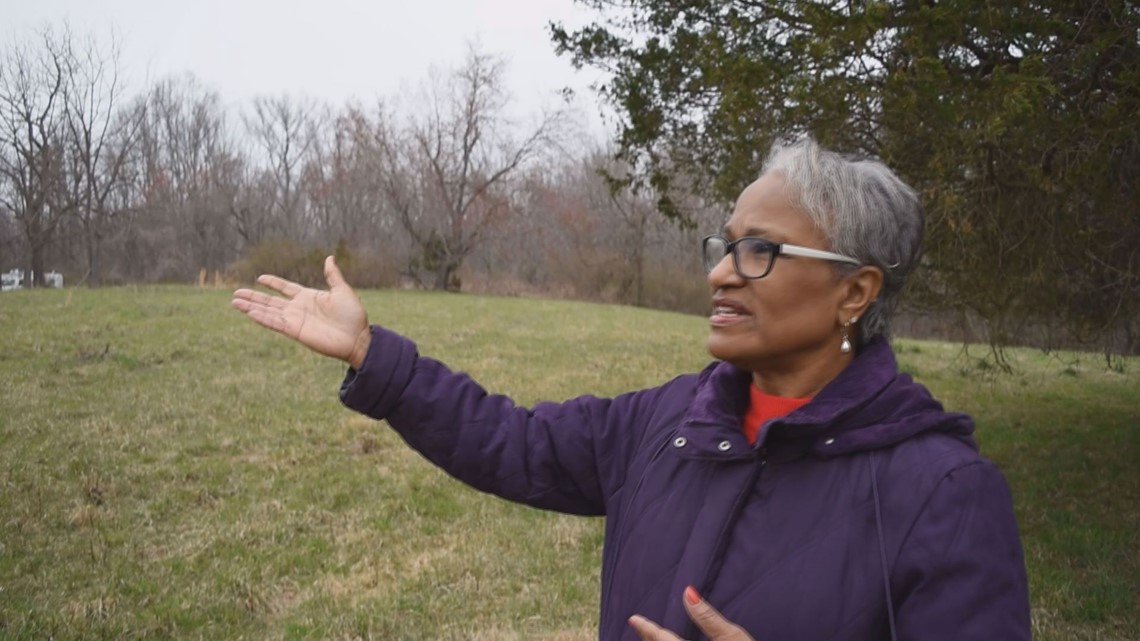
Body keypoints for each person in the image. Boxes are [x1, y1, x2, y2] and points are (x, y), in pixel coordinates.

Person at [231, 138, 1031, 641]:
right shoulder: (669, 421)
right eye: (724, 244)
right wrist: (375, 357)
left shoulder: (944, 492)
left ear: (855, 293)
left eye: (760, 251)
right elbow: (512, 442)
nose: (720, 271)